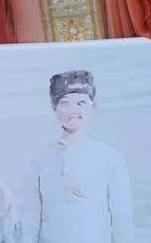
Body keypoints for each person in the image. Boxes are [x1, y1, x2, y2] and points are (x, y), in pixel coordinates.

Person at [32, 71, 133, 243]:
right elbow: (31, 216)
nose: (73, 110)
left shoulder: (110, 158)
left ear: (93, 107)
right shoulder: (41, 159)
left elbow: (122, 219)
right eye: (65, 103)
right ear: (54, 108)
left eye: (81, 103)